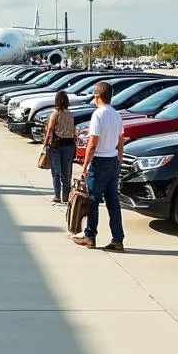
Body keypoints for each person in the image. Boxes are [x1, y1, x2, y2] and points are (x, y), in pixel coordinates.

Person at [73, 81, 125, 251]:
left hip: (100, 162)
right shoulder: (116, 114)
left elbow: (93, 142)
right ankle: (117, 239)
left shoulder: (98, 114)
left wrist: (85, 164)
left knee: (92, 201)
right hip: (112, 161)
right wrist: (119, 158)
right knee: (113, 203)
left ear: (97, 96)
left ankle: (90, 235)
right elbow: (121, 139)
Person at [43, 90, 77, 204]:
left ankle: (57, 196)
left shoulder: (55, 113)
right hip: (69, 145)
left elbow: (50, 130)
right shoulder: (70, 114)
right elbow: (73, 131)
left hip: (56, 145)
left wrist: (45, 143)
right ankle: (65, 196)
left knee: (56, 172)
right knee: (66, 172)